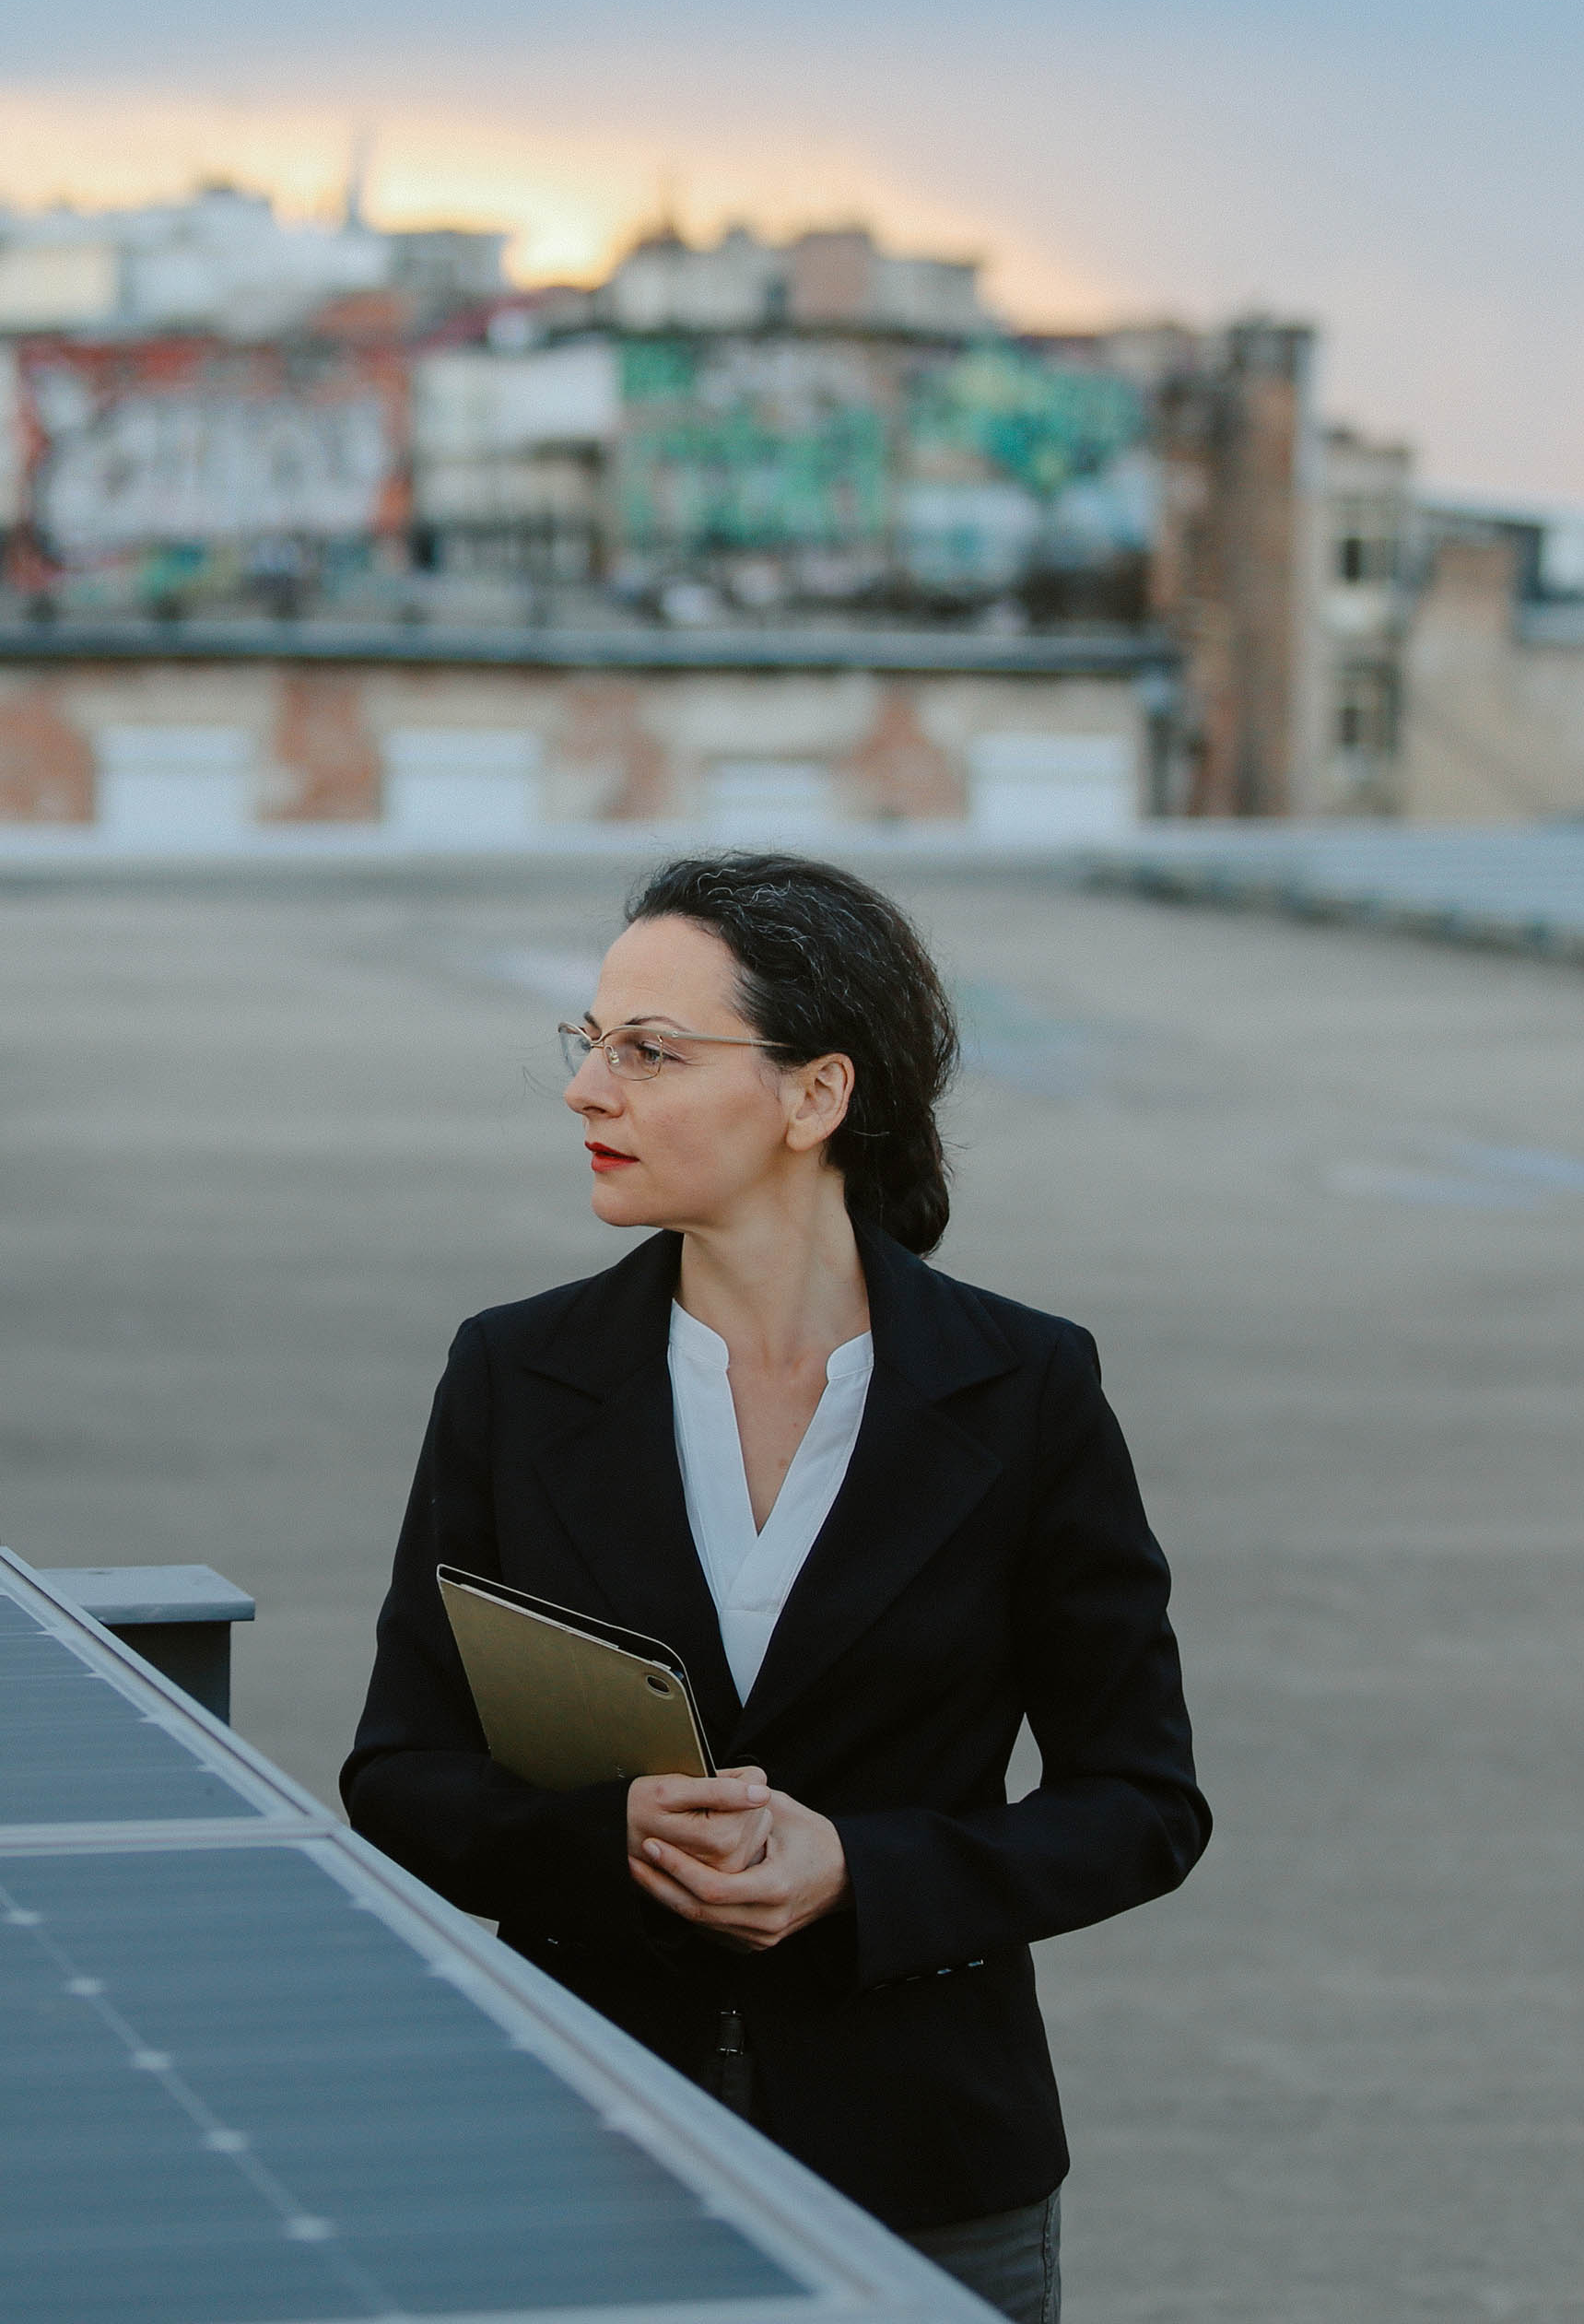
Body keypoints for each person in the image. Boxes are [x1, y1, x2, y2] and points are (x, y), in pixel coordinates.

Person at [344, 851, 1206, 2324]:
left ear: (815, 1098)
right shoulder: (514, 1375)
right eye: (591, 1043)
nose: (587, 1092)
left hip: (931, 2175)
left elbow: (1140, 1802)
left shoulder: (1022, 1390)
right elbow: (401, 1775)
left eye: (650, 1053)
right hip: (587, 2144)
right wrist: (601, 1836)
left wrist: (865, 1874)